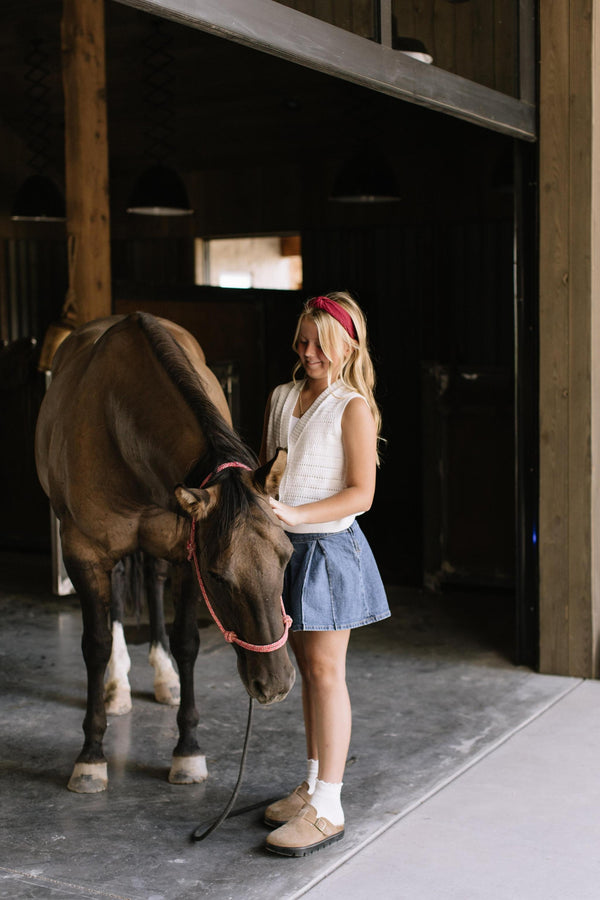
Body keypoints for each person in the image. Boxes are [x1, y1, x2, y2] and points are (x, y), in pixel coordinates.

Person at [259, 291, 390, 857]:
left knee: (326, 672)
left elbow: (361, 493)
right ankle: (312, 786)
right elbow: (272, 470)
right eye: (301, 341)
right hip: (285, 549)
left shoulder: (351, 406)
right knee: (308, 673)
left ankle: (330, 807)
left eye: (318, 343)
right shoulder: (281, 396)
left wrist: (293, 513)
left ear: (346, 346)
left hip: (330, 553)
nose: (306, 351)